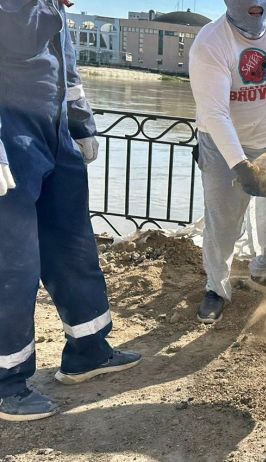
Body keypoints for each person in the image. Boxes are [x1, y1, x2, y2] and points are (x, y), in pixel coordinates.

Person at [0, 0, 141, 422]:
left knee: (74, 249)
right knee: (13, 265)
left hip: (55, 136)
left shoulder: (53, 9)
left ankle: (88, 350)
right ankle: (7, 383)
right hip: (10, 138)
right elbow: (18, 36)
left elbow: (67, 73)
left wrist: (82, 126)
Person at [189, 0, 266, 323]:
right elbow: (215, 113)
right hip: (221, 144)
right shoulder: (210, 43)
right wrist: (239, 164)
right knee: (223, 221)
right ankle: (216, 288)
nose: (255, 5)